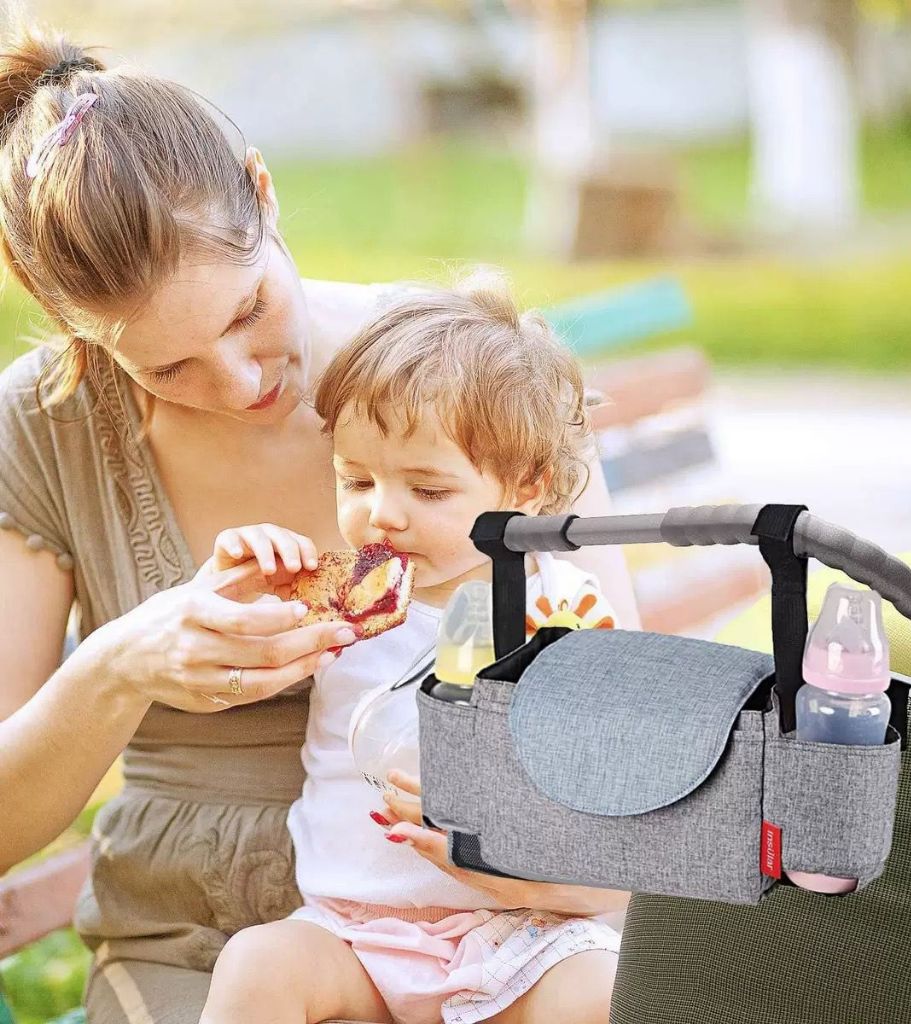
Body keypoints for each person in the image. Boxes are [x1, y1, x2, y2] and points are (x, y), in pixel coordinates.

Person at [0, 27, 640, 1024]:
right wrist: (120, 664)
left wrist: (530, 859)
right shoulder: (43, 427)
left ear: (263, 190)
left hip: (505, 918)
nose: (241, 383)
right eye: (165, 369)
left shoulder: (475, 387)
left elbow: (640, 760)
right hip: (207, 937)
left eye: (248, 309)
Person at [198, 278, 628, 1024]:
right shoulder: (337, 594)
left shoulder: (565, 613)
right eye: (356, 479)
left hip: (518, 933)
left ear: (530, 486)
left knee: (600, 989)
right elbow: (223, 668)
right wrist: (235, 592)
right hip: (351, 934)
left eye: (428, 492)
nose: (381, 515)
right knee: (257, 964)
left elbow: (610, 791)